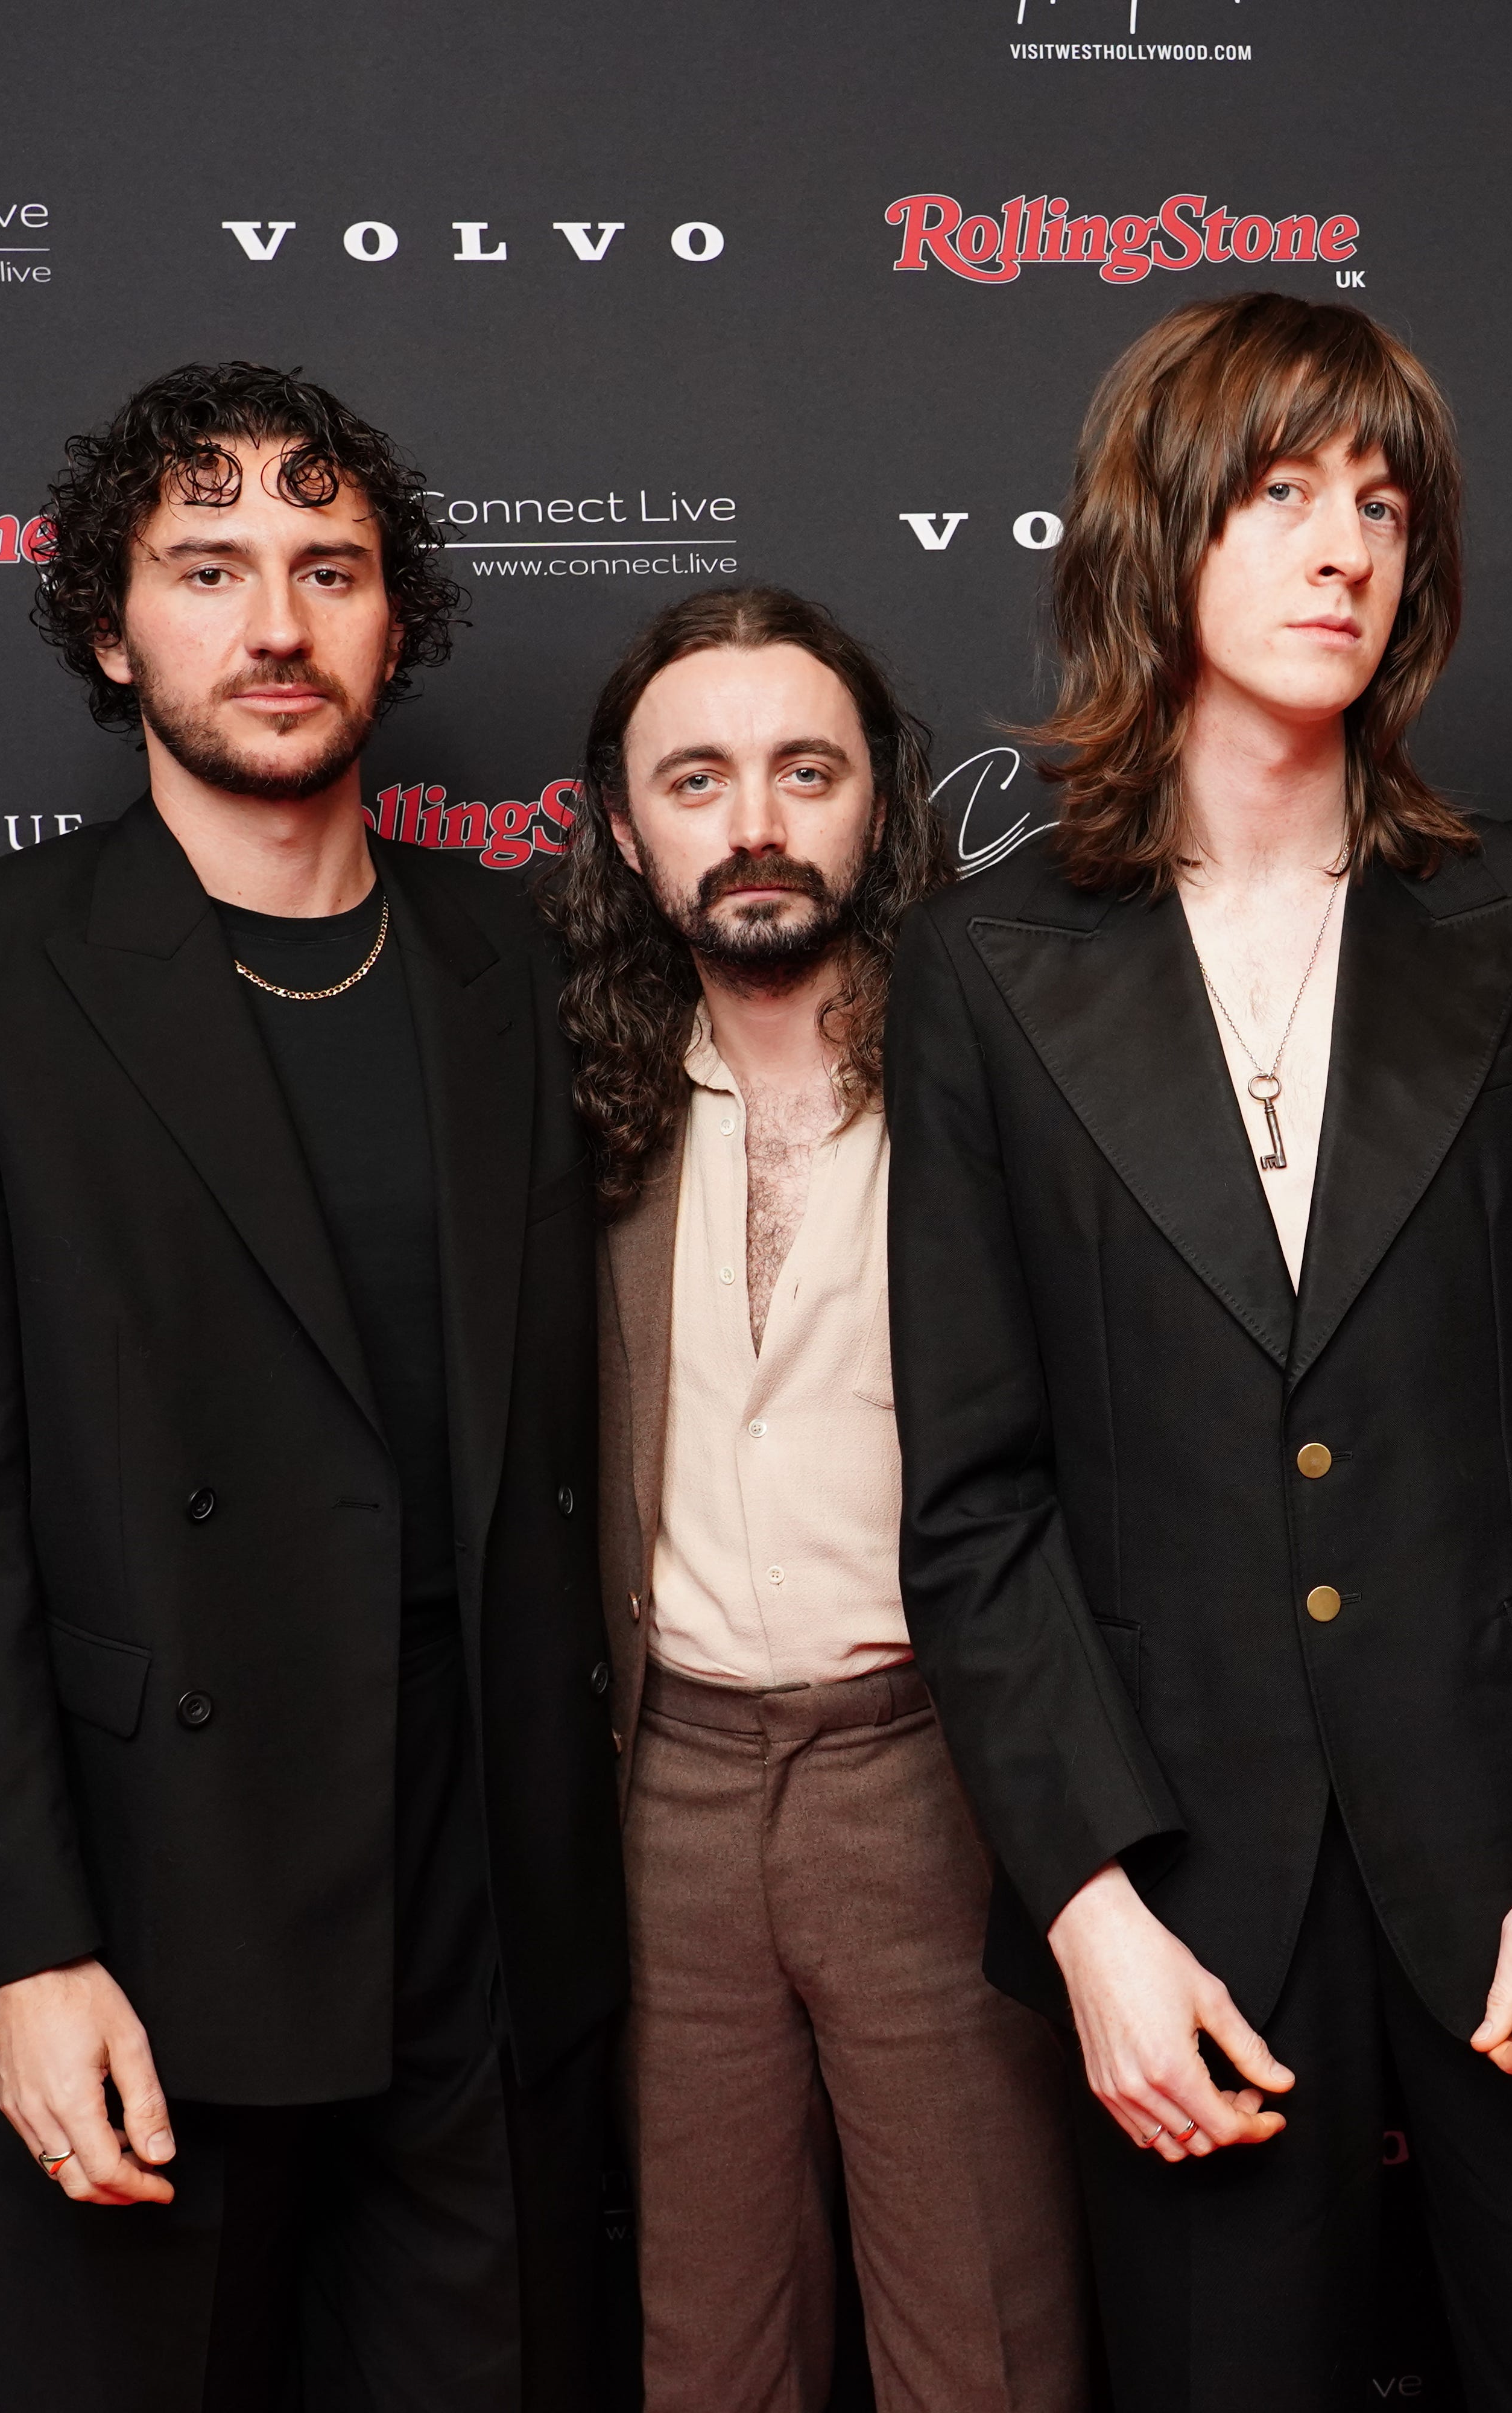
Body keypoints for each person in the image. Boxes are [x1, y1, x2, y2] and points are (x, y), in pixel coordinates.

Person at [887, 292, 1512, 2412]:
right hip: (1188, 1902)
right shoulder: (990, 975)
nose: (1343, 547)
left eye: (1380, 504)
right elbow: (977, 1507)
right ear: (1159, 541)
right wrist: (1086, 1909)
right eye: (1281, 494)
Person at [0, 363, 627, 2409]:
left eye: (328, 566)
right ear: (113, 624)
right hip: (163, 1898)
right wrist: (24, 1945)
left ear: (391, 617)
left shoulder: (509, 961)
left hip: (488, 1894)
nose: (276, 622)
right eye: (208, 566)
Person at [537, 587, 1089, 2411]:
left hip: (931, 1774)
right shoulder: (568, 1108)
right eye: (696, 779)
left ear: (882, 804)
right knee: (708, 2352)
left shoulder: (999, 1075)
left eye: (805, 770)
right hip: (666, 1788)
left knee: (979, 2347)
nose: (756, 821)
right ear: (628, 833)